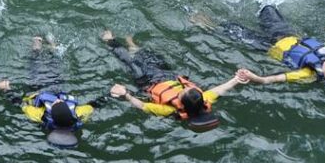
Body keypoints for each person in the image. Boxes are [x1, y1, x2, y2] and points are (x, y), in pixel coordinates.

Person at [103, 30, 247, 128]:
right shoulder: (201, 99)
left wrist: (126, 95)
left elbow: (142, 106)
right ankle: (131, 44)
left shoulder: (168, 110)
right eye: (189, 88)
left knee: (129, 61)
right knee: (148, 56)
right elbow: (219, 89)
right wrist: (236, 79)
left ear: (182, 104)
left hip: (147, 81)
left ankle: (109, 40)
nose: (187, 87)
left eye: (183, 92)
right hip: (166, 74)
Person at [0, 37, 101, 149]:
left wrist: (7, 90)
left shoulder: (38, 115)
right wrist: (111, 94)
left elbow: (19, 103)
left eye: (55, 103)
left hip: (38, 87)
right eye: (61, 102)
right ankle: (52, 47)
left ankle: (37, 44)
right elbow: (94, 105)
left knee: (36, 63)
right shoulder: (79, 114)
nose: (58, 100)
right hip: (56, 86)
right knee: (55, 65)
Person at [231, 7, 325, 89]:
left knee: (231, 30)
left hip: (267, 46)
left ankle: (213, 24)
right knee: (268, 8)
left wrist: (256, 78)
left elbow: (276, 78)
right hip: (284, 32)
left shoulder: (307, 74)